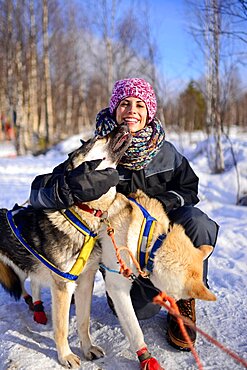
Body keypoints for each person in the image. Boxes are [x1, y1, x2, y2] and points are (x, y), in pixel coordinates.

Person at [29, 78, 219, 352]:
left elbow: (189, 188)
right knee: (141, 312)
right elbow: (38, 192)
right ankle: (146, 289)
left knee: (198, 222)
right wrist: (66, 189)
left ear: (149, 112)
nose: (132, 110)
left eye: (140, 105)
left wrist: (159, 203)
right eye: (125, 103)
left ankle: (184, 299)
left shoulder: (166, 153)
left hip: (158, 236)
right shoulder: (98, 150)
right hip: (119, 249)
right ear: (115, 109)